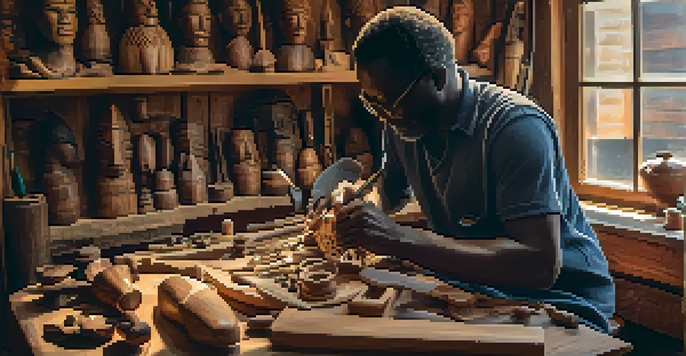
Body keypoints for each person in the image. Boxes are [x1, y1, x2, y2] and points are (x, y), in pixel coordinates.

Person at [334, 6, 616, 333]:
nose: (383, 115)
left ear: (438, 78)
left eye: (388, 100)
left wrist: (398, 238)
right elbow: (388, 193)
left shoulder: (515, 128)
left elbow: (539, 264)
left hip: (560, 299)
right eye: (372, 102)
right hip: (477, 287)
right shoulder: (404, 125)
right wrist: (360, 204)